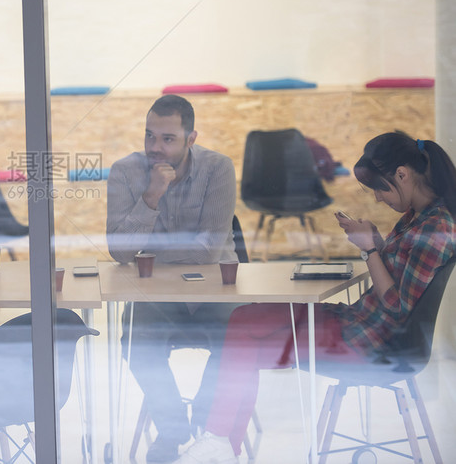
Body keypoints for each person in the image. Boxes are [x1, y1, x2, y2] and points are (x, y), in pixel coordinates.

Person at [173, 132, 456, 464]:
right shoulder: (419, 218)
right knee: (243, 330)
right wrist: (377, 244)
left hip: (371, 343)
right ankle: (221, 445)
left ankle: (220, 444)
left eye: (380, 188)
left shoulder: (435, 230)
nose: (379, 199)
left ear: (403, 175)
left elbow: (397, 309)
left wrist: (368, 251)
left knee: (243, 328)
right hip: (360, 325)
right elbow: (401, 280)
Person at [106, 94, 239, 462]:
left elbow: (210, 251)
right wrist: (150, 197)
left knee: (237, 339)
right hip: (156, 294)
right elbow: (118, 253)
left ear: (191, 139)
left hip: (214, 291)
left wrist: (149, 251)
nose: (155, 148)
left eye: (167, 139)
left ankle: (208, 428)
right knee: (135, 340)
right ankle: (173, 427)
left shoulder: (218, 168)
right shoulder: (125, 172)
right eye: (150, 136)